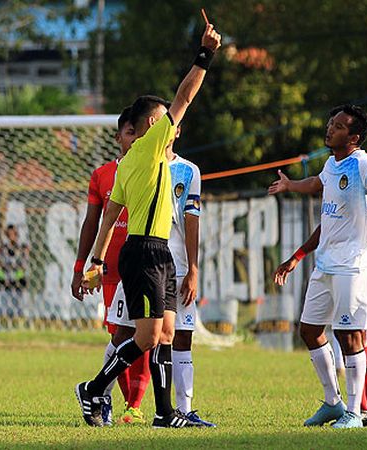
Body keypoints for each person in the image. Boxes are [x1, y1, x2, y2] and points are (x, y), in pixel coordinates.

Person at [73, 17, 221, 428]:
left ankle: (163, 412)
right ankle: (94, 387)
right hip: (146, 252)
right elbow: (186, 97)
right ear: (150, 127)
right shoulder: (151, 145)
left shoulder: (125, 166)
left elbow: (109, 217)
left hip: (155, 254)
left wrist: (97, 261)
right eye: (162, 117)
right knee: (146, 337)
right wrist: (205, 54)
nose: (169, 121)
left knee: (167, 334)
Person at [267, 104, 367, 428]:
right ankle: (333, 403)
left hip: (353, 264)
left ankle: (355, 412)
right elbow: (318, 184)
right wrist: (291, 186)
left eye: (337, 126)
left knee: (349, 336)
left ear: (354, 136)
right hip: (326, 262)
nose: (329, 128)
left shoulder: (362, 163)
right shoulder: (331, 165)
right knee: (309, 330)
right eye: (330, 122)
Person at [107, 128, 213, 426]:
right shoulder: (140, 163)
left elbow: (192, 220)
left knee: (179, 336)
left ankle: (183, 409)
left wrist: (192, 268)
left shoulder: (189, 170)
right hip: (143, 258)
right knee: (123, 333)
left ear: (177, 130)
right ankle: (100, 397)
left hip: (175, 263)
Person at [71, 107, 151, 425]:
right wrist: (82, 267)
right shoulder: (103, 175)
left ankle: (133, 404)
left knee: (144, 333)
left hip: (144, 264)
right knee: (120, 335)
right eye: (130, 133)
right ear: (118, 137)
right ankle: (103, 395)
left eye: (140, 133)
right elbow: (92, 222)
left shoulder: (154, 170)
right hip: (111, 270)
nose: (135, 140)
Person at [0, 224, 28, 321]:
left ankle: (19, 320)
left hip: (18, 280)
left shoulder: (21, 248)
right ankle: (6, 320)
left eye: (12, 234)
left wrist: (17, 274)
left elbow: (23, 265)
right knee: (5, 304)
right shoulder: (3, 248)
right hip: (5, 280)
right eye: (8, 234)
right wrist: (2, 276)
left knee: (19, 305)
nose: (10, 236)